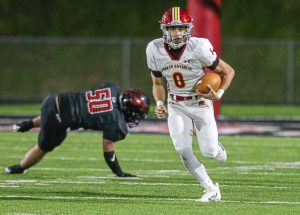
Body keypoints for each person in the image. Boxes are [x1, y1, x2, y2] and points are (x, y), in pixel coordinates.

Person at [146, 7, 235, 202]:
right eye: (171, 28)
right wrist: (160, 102)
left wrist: (218, 93)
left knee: (210, 152)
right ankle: (210, 189)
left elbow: (228, 72)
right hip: (176, 104)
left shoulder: (200, 47)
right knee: (184, 152)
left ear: (188, 29)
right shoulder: (154, 48)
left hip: (200, 102)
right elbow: (157, 83)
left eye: (180, 28)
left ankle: (217, 148)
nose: (176, 33)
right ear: (164, 29)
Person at [5, 82, 150, 178]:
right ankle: (20, 167)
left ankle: (27, 124)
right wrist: (119, 173)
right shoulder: (116, 123)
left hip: (54, 99)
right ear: (129, 109)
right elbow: (108, 151)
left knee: (53, 118)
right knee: (43, 148)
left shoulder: (112, 88)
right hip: (58, 119)